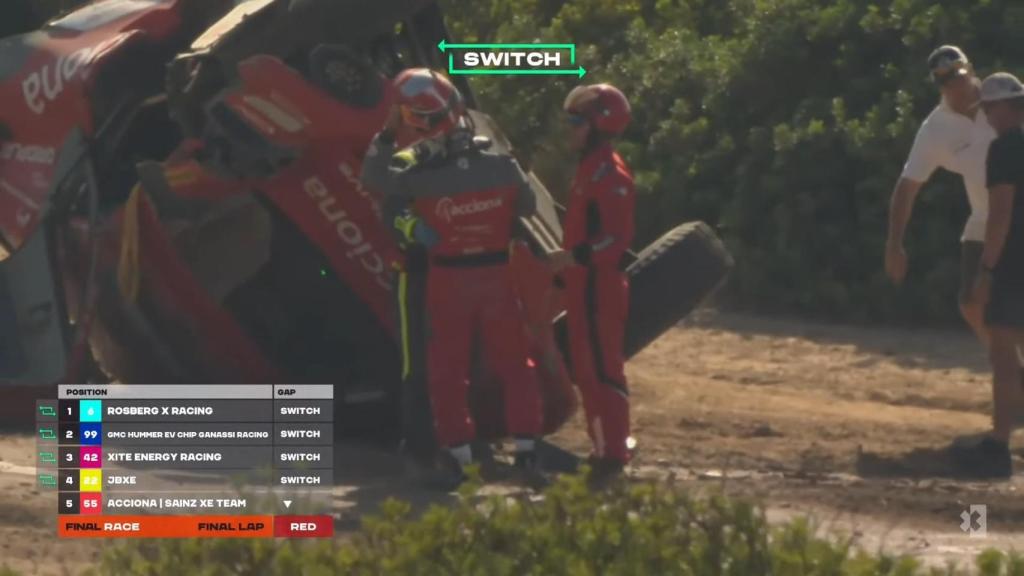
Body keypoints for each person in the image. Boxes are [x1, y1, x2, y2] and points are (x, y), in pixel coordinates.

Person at [361, 68, 544, 487]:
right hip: (492, 277)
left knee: (443, 370)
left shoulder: (416, 172)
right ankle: (524, 454)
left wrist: (387, 134)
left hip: (443, 279)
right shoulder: (500, 164)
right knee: (513, 365)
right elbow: (526, 207)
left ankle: (453, 456)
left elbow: (377, 184)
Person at [548, 83, 636, 484]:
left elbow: (615, 239)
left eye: (576, 122)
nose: (570, 129)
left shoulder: (611, 174)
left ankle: (612, 454)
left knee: (604, 372)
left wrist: (575, 257)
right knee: (586, 373)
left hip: (601, 287)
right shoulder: (589, 168)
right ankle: (601, 449)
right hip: (583, 286)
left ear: (599, 125)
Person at [886, 46, 996, 343]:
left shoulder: (1003, 98)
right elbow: (907, 186)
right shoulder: (935, 129)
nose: (955, 85)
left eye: (959, 76)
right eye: (946, 81)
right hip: (984, 221)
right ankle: (1008, 362)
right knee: (971, 303)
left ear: (970, 70)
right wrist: (894, 243)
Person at [959, 72, 1024, 477]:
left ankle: (998, 445)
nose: (985, 115)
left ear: (1003, 108)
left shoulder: (1004, 150)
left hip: (1015, 263)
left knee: (1002, 353)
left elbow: (1000, 215)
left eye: (987, 108)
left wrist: (986, 270)